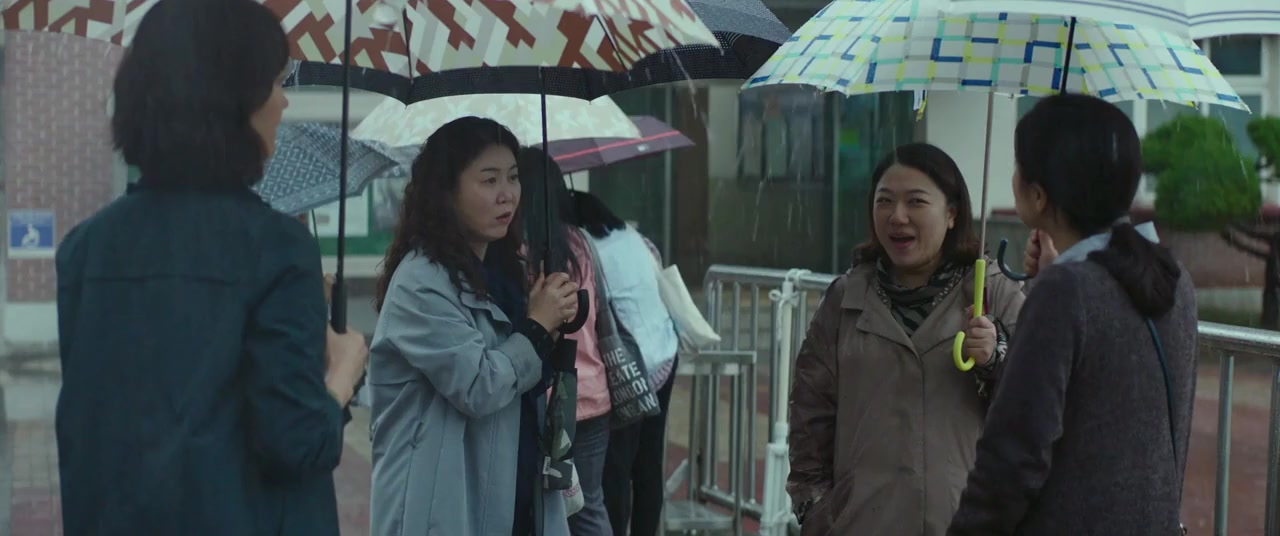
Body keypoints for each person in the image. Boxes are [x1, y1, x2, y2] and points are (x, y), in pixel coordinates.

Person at [54, 0, 369, 534]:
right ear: (235, 101)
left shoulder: (85, 250)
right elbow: (295, 443)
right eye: (274, 83)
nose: (283, 102)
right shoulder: (276, 248)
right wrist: (341, 373)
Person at [949, 94, 1196, 535]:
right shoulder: (1175, 279)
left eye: (1018, 165)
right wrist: (1057, 273)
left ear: (1038, 195)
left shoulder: (1066, 293)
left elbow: (1013, 458)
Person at [788, 143, 1025, 535]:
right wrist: (816, 510)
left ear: (951, 213)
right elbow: (810, 416)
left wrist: (996, 355)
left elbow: (1036, 405)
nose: (897, 217)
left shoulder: (993, 294)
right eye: (885, 201)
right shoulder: (846, 299)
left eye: (916, 201)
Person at [368, 117, 579, 536]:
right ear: (446, 192)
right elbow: (478, 386)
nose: (507, 194)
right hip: (446, 506)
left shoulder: (501, 273)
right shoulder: (421, 283)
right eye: (489, 180)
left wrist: (552, 327)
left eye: (513, 177)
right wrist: (537, 329)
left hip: (514, 493)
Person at [570, 191, 679, 536]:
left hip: (629, 366)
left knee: (616, 469)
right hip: (664, 353)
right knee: (648, 465)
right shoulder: (635, 237)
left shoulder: (584, 249)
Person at [518, 148, 613, 535]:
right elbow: (600, 309)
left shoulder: (522, 252)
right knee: (589, 505)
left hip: (553, 399)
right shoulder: (580, 242)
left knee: (550, 508)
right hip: (593, 392)